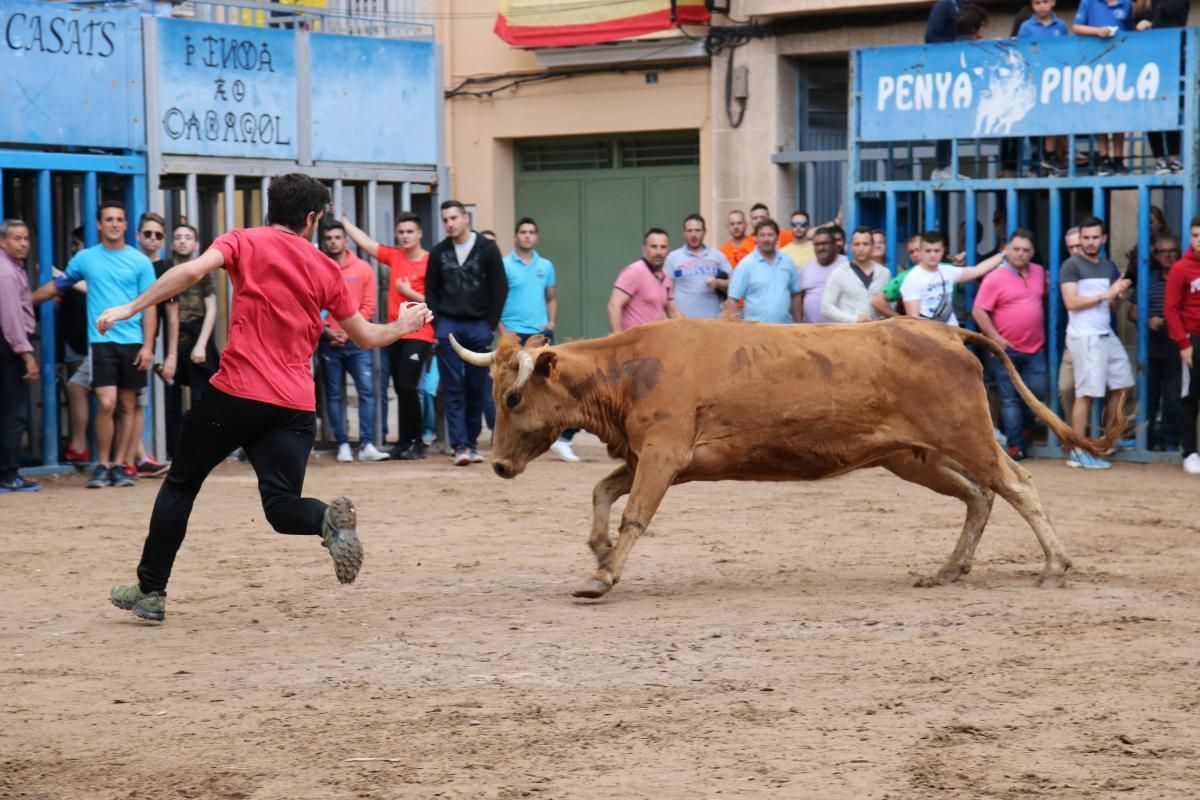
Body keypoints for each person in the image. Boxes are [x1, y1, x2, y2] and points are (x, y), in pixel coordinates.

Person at [102, 173, 434, 622]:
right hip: (294, 406)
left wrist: (129, 308)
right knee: (282, 508)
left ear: (270, 208)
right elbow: (367, 337)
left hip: (236, 394)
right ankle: (324, 521)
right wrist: (405, 325)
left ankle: (151, 590)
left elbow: (192, 271)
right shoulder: (326, 268)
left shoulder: (244, 240)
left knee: (181, 484)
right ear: (312, 218)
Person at [32, 200, 156, 489]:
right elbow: (59, 285)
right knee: (107, 402)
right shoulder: (86, 258)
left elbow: (150, 306)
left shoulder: (140, 261)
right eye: (108, 219)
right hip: (101, 340)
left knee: (127, 404)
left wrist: (148, 345)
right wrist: (26, 300)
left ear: (126, 225)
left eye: (119, 219)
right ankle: (102, 463)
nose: (114, 224)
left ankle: (121, 465)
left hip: (133, 341)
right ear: (99, 224)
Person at [341, 213, 435, 461]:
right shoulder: (394, 256)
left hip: (421, 332)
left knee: (407, 385)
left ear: (419, 234)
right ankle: (404, 442)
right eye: (401, 232)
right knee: (400, 388)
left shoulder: (430, 262)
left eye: (409, 232)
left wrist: (409, 292)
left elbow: (437, 302)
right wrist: (343, 221)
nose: (405, 236)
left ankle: (417, 441)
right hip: (396, 331)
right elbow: (366, 243)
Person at [425, 200, 508, 467]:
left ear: (465, 218)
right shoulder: (439, 252)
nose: (449, 224)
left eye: (453, 218)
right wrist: (438, 323)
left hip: (478, 326)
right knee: (451, 387)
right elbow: (431, 290)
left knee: (477, 386)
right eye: (445, 220)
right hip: (449, 325)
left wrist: (490, 325)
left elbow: (500, 287)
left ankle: (471, 443)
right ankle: (459, 445)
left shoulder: (487, 249)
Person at [498, 216, 580, 463]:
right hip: (514, 333)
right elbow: (496, 300)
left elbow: (551, 297)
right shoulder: (505, 265)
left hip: (540, 333)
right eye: (523, 232)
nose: (527, 236)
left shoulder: (546, 265)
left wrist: (551, 322)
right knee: (513, 387)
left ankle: (558, 438)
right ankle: (512, 437)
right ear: (516, 236)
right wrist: (503, 332)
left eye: (531, 232)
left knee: (550, 386)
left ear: (536, 236)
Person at [1060, 216, 1133, 469]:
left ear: (1104, 239)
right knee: (1086, 393)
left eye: (1095, 237)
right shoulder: (1071, 265)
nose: (1090, 242)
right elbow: (1071, 303)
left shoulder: (1107, 266)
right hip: (1084, 336)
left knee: (1124, 385)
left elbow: (1112, 305)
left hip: (1105, 334)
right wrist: (1106, 294)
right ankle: (1078, 451)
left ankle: (1106, 441)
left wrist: (1120, 294)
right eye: (1086, 238)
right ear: (1080, 239)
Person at [971, 229, 1048, 460]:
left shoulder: (1039, 272)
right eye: (1016, 249)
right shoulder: (995, 277)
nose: (1021, 254)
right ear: (1007, 250)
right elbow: (978, 310)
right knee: (1010, 398)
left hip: (1036, 349)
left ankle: (1024, 428)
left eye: (1026, 250)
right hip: (1006, 349)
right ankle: (1016, 445)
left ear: (1032, 252)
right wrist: (994, 337)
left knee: (1036, 391)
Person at [317, 220, 389, 463]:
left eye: (338, 237)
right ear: (324, 241)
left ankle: (367, 443)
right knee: (335, 395)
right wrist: (327, 331)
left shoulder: (363, 268)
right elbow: (313, 305)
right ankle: (344, 444)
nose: (334, 241)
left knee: (367, 392)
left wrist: (350, 332)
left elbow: (368, 306)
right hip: (329, 342)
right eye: (329, 238)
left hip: (358, 342)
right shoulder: (318, 268)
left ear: (346, 240)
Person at [162, 224, 219, 460]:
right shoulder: (166, 269)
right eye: (178, 237)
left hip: (197, 337)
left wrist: (202, 344)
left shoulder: (203, 269)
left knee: (200, 400)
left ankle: (200, 451)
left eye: (188, 237)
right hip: (170, 338)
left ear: (196, 244)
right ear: (172, 242)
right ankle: (173, 451)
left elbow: (212, 307)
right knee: (171, 400)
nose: (183, 241)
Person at [131, 212, 175, 478]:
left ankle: (140, 457)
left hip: (148, 342)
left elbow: (172, 316)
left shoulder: (167, 270)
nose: (152, 239)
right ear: (138, 236)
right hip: (123, 338)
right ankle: (137, 457)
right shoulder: (129, 262)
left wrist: (170, 355)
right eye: (148, 234)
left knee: (135, 400)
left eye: (158, 235)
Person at [1128, 233, 1181, 451]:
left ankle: (1169, 441)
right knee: (1148, 399)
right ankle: (1146, 441)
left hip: (1177, 350)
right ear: (1155, 255)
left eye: (1172, 251)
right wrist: (1147, 320)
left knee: (1172, 400)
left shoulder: (1184, 278)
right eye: (1162, 251)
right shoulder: (1147, 280)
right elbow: (1131, 312)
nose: (1168, 255)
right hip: (1150, 351)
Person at [0, 219, 41, 492]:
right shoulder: (6, 272)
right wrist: (27, 354)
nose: (23, 243)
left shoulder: (12, 268)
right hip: (7, 349)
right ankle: (8, 473)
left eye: (25, 238)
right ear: (3, 241)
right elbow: (11, 319)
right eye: (17, 238)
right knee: (11, 412)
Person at [1073, 0, 1133, 175]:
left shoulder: (1127, 4)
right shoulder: (1088, 2)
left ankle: (1119, 159)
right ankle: (1104, 158)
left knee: (1119, 112)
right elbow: (1076, 27)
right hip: (1095, 63)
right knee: (1099, 111)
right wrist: (1097, 31)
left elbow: (1129, 32)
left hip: (1120, 64)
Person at [900, 231, 1004, 325]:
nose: (932, 255)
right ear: (921, 251)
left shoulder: (947, 270)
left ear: (942, 251)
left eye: (936, 251)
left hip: (952, 335)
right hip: (930, 337)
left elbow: (978, 270)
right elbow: (914, 320)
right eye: (928, 251)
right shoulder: (912, 279)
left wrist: (1004, 254)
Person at [1164, 216, 1200, 474]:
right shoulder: (1181, 269)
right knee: (1190, 397)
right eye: (1196, 235)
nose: (1199, 241)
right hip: (1193, 338)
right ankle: (1190, 452)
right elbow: (1171, 309)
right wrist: (1183, 343)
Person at [1018, 0, 1070, 177]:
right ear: (1032, 5)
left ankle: (1052, 156)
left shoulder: (1061, 25)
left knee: (1055, 118)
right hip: (1035, 80)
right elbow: (1021, 52)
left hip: (1055, 80)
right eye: (1037, 3)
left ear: (1053, 3)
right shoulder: (1026, 27)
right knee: (1036, 122)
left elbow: (1065, 51)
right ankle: (1036, 160)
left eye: (1045, 2)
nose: (1041, 6)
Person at [1136, 0, 1188, 173]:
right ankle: (1159, 160)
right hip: (1148, 62)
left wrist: (1150, 24)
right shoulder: (1145, 4)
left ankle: (1173, 158)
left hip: (1170, 59)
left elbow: (1173, 15)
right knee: (1151, 111)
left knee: (1170, 110)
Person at [724, 219, 802, 323]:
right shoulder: (746, 264)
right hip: (756, 333)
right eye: (762, 235)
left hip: (785, 330)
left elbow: (796, 295)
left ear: (777, 237)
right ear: (756, 238)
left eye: (770, 235)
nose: (766, 239)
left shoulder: (788, 261)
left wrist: (798, 325)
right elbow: (733, 299)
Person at [60, 227, 92, 465]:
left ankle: (81, 445)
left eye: (77, 243)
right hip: (75, 342)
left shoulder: (75, 275)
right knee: (77, 390)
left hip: (96, 342)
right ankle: (80, 445)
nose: (74, 248)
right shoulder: (71, 274)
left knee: (79, 389)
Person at [609, 229, 681, 332]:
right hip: (634, 343)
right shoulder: (634, 271)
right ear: (644, 249)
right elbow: (614, 305)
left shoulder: (666, 277)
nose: (658, 252)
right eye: (654, 247)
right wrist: (616, 340)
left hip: (655, 342)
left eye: (663, 247)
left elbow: (673, 311)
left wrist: (691, 332)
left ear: (668, 250)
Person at [665, 214, 731, 320]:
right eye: (690, 231)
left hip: (712, 322)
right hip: (684, 322)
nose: (694, 234)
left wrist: (718, 283)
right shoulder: (673, 257)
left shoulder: (718, 256)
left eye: (697, 230)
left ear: (704, 232)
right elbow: (665, 293)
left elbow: (733, 284)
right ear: (684, 233)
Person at [821, 227, 891, 323]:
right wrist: (854, 319)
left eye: (865, 244)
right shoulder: (839, 273)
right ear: (851, 247)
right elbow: (826, 307)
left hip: (877, 333)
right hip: (850, 333)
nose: (861, 248)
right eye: (857, 244)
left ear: (872, 246)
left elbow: (891, 306)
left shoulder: (884, 273)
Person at [797, 227, 849, 323]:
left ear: (834, 245)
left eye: (825, 243)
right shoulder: (805, 268)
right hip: (811, 330)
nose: (821, 248)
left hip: (841, 330)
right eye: (817, 244)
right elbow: (798, 299)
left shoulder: (847, 264)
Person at [1058, 227, 1083, 413]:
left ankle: (1092, 437)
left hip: (1097, 338)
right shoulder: (1065, 270)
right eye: (1070, 247)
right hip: (1070, 339)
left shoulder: (1104, 267)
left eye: (1078, 246)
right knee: (1065, 387)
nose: (1074, 251)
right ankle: (1073, 435)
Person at [871, 234, 923, 319]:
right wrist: (899, 319)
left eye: (918, 250)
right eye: (911, 252)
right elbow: (877, 301)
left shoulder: (946, 269)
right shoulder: (906, 276)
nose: (915, 254)